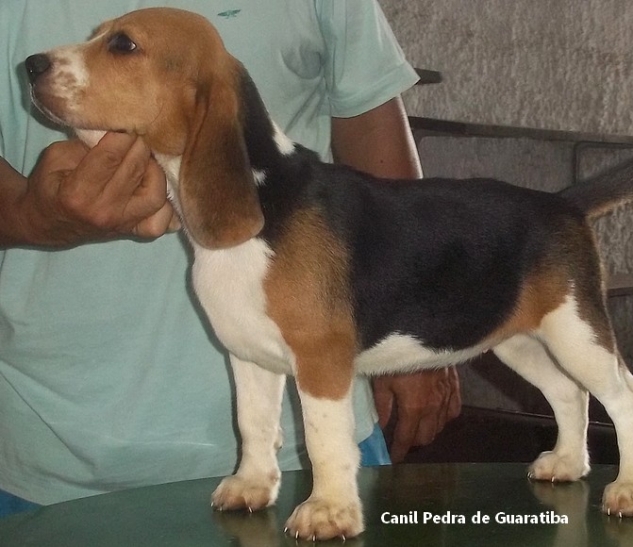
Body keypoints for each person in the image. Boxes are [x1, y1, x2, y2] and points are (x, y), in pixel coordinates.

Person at [0, 0, 460, 516]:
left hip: (312, 444)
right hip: (48, 452)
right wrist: (29, 216)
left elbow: (373, 137)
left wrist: (424, 319)